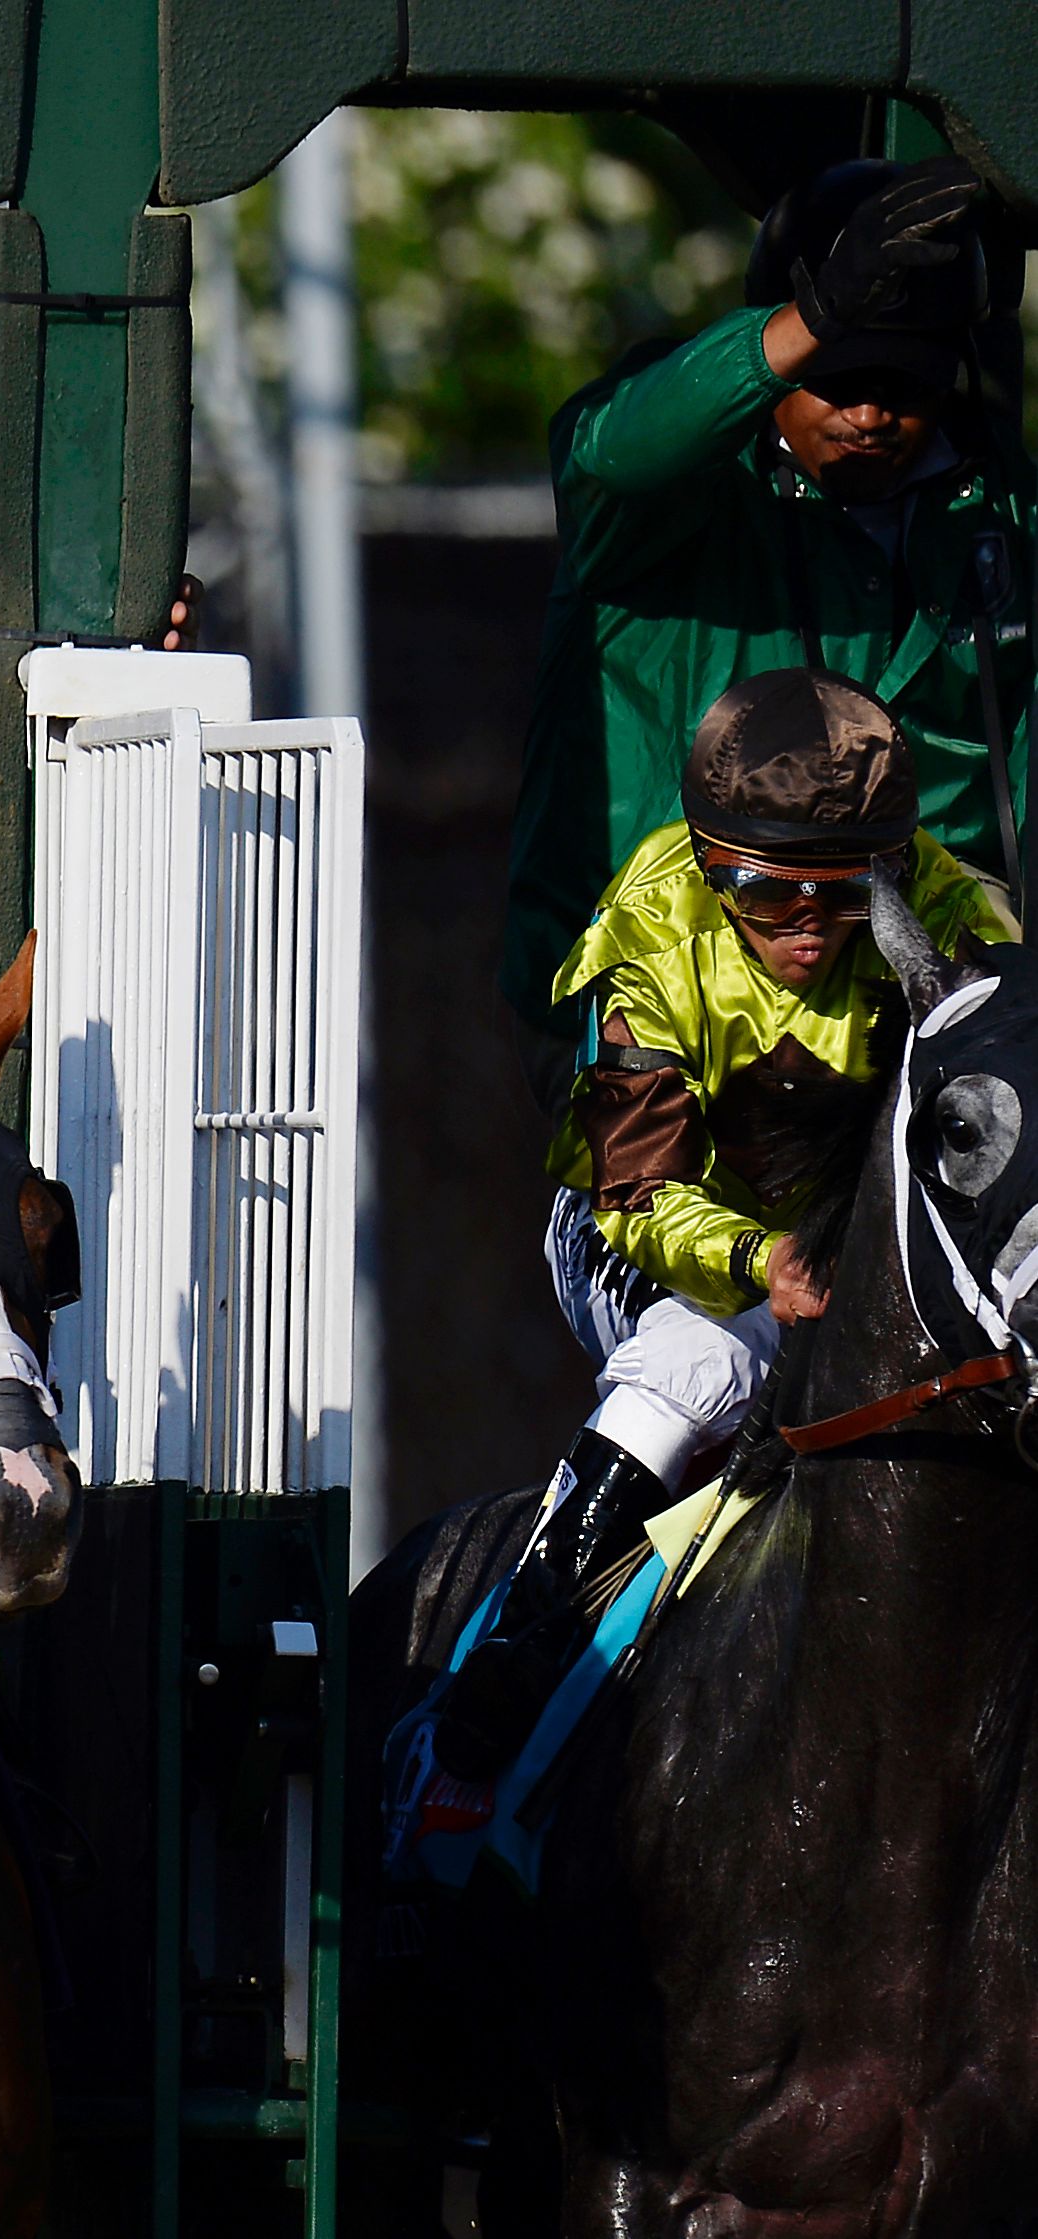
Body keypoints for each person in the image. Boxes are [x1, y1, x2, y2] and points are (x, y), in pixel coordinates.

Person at [442, 671, 1015, 1767]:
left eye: (843, 895)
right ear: (712, 869)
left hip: (860, 1239)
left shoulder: (951, 914)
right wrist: (762, 1260)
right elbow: (640, 1191)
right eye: (765, 893)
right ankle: (512, 1649)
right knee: (709, 1350)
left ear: (890, 873)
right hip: (644, 1229)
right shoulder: (653, 931)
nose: (807, 926)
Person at [507, 157, 1034, 1065]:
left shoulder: (1002, 513)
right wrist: (809, 322)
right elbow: (613, 455)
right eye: (836, 373)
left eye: (904, 384)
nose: (870, 412)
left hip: (929, 1007)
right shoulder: (681, 502)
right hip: (675, 1012)